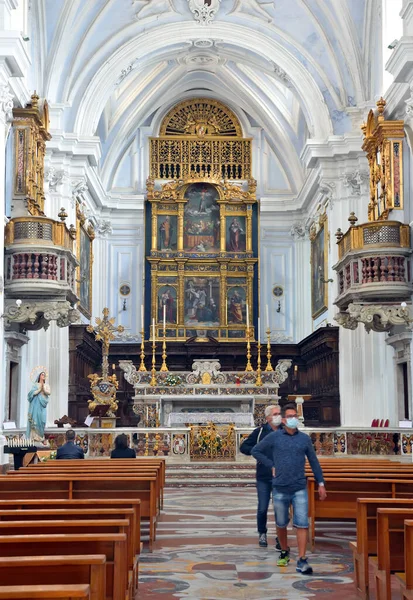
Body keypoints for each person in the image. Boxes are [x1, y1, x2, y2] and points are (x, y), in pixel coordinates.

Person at [252, 403, 327, 575]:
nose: (294, 419)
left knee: (301, 524)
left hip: (299, 486)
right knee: (281, 523)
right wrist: (271, 464)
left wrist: (321, 483)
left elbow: (314, 461)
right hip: (279, 487)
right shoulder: (275, 437)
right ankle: (284, 550)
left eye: (295, 416)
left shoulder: (304, 439)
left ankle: (302, 559)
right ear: (284, 420)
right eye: (290, 416)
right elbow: (256, 451)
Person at [240, 404, 282, 549]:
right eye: (276, 414)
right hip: (264, 475)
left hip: (281, 476)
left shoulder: (285, 431)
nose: (278, 416)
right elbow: (243, 447)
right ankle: (262, 533)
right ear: (268, 417)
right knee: (262, 507)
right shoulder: (259, 432)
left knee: (279, 508)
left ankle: (280, 536)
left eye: (279, 413)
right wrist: (257, 452)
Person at [26, 371, 50, 441]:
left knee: (42, 420)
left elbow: (49, 392)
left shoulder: (46, 385)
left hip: (42, 404)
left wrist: (44, 389)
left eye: (44, 375)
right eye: (42, 375)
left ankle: (40, 436)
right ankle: (35, 437)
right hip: (35, 405)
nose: (43, 376)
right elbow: (31, 394)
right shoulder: (35, 385)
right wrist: (39, 389)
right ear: (39, 376)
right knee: (35, 419)